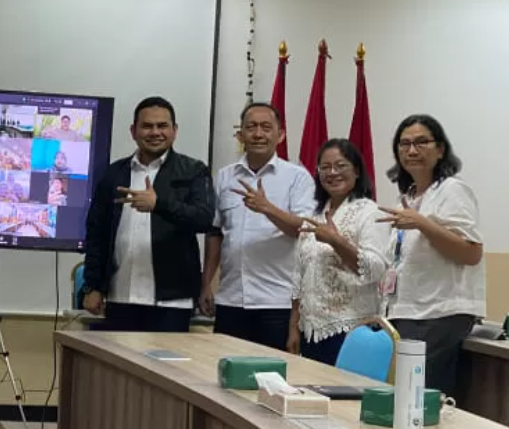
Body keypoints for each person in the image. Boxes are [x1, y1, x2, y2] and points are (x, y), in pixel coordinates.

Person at [81, 97, 215, 332]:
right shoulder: (114, 173)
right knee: (119, 357)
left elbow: (203, 218)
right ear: (133, 131)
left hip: (172, 300)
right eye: (147, 126)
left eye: (162, 126)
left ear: (174, 131)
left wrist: (159, 204)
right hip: (120, 295)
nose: (155, 132)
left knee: (164, 357)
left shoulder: (194, 170)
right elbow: (96, 233)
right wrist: (93, 286)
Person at [380, 115, 484, 396]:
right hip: (406, 311)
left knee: (417, 400)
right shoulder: (408, 196)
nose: (412, 150)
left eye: (421, 142)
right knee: (402, 397)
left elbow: (472, 253)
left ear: (440, 149)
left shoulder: (452, 190)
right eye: (404, 144)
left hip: (439, 313)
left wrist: (422, 224)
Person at [201, 102, 315, 350]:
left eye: (266, 127)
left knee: (270, 371)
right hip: (231, 299)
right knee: (225, 369)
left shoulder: (297, 177)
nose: (258, 134)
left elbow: (304, 229)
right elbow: (216, 233)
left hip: (276, 302)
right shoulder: (225, 176)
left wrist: (267, 208)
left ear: (280, 135)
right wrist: (206, 283)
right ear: (240, 135)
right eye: (251, 127)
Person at [287, 139, 390, 365]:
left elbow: (375, 269)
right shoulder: (314, 216)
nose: (332, 173)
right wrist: (293, 327)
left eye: (340, 166)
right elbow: (298, 278)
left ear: (357, 171)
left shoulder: (370, 213)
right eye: (325, 167)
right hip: (309, 331)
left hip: (352, 331)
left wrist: (336, 241)